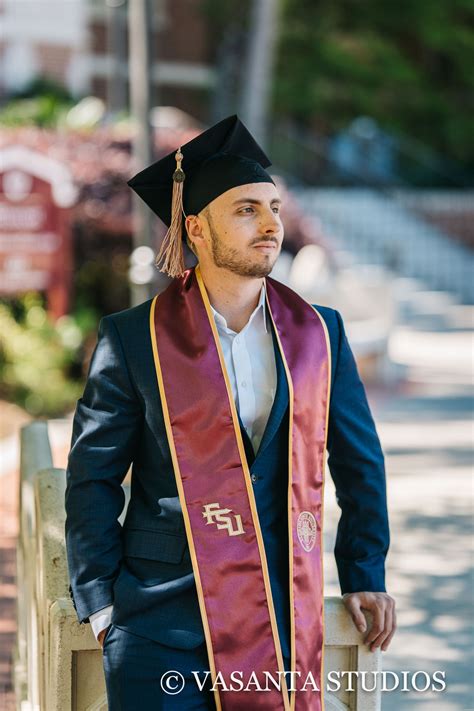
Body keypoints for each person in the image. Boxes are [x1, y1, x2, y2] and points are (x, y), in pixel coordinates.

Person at [65, 114, 395, 711]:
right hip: (160, 622)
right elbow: (92, 475)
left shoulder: (321, 335)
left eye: (273, 207)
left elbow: (360, 463)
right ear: (196, 228)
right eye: (246, 209)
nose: (270, 224)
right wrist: (100, 601)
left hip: (280, 614)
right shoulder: (133, 339)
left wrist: (364, 569)